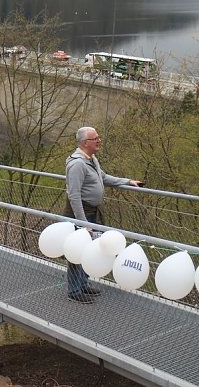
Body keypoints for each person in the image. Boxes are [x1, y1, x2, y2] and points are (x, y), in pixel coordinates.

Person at [64, 126, 143, 304]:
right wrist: (84, 224)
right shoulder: (77, 164)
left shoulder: (91, 159)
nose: (99, 140)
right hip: (82, 214)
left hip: (92, 213)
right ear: (85, 143)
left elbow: (104, 178)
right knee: (78, 251)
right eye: (95, 138)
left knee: (89, 250)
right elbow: (74, 195)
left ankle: (83, 284)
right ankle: (74, 290)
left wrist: (127, 182)